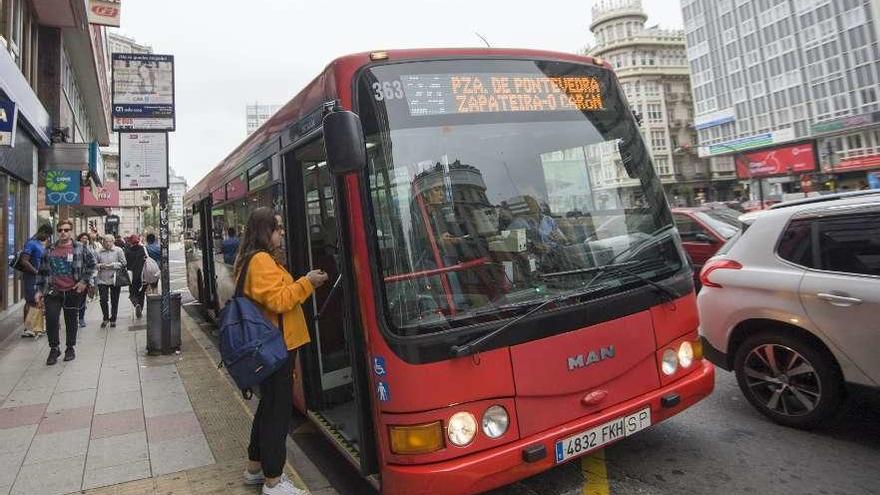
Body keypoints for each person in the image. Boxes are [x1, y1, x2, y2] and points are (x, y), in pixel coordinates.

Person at [235, 207, 327, 495]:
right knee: (277, 412)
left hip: (275, 345)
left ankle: (255, 467)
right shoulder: (260, 260)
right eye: (277, 228)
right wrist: (307, 282)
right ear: (264, 231)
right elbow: (279, 300)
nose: (282, 233)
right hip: (277, 346)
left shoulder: (258, 259)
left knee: (268, 407)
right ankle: (274, 480)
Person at [36, 219, 96, 365]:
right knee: (51, 320)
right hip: (53, 291)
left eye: (66, 230)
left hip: (72, 291)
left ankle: (70, 348)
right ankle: (54, 348)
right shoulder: (49, 249)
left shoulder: (80, 248)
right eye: (60, 230)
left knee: (71, 320)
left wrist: (83, 281)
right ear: (57, 232)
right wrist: (39, 290)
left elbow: (92, 264)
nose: (63, 232)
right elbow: (42, 272)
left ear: (71, 231)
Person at [19, 224, 53, 337]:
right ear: (42, 232)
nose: (47, 238)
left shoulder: (39, 243)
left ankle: (35, 327)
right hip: (31, 277)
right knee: (30, 301)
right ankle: (28, 328)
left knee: (37, 301)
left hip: (38, 277)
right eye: (47, 235)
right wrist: (36, 271)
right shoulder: (31, 243)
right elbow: (24, 260)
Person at [96, 235, 126, 328]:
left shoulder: (118, 250)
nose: (108, 243)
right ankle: (105, 318)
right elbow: (94, 264)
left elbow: (124, 263)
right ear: (103, 242)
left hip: (115, 279)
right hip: (102, 279)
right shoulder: (99, 251)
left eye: (110, 241)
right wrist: (101, 265)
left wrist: (112, 265)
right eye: (106, 241)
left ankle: (113, 319)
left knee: (114, 300)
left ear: (113, 242)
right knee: (103, 300)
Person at [77, 232, 97, 327]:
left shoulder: (89, 249)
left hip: (84, 278)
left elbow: (93, 263)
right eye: (82, 238)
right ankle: (74, 317)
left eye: (86, 238)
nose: (84, 240)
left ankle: (81, 318)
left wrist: (88, 279)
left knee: (82, 300)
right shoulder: (75, 248)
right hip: (73, 279)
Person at [125, 234, 147, 318]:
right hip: (142, 275)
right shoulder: (142, 249)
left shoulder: (127, 251)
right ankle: (140, 309)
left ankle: (136, 304)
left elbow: (125, 263)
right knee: (141, 294)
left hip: (132, 276)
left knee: (132, 293)